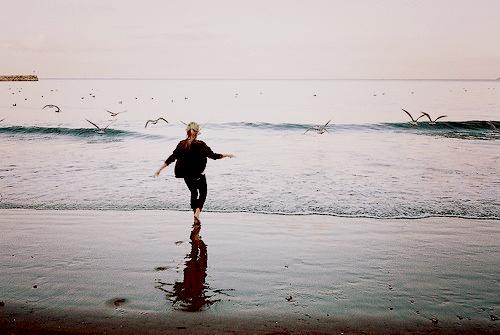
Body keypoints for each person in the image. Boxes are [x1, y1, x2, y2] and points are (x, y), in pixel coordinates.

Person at [154, 122, 234, 224]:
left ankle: (195, 215)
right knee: (203, 192)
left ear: (187, 131)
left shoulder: (181, 144)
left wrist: (159, 169)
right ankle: (197, 213)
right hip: (198, 174)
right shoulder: (200, 145)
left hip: (185, 174)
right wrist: (227, 155)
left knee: (193, 192)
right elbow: (213, 156)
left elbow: (172, 158)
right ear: (197, 132)